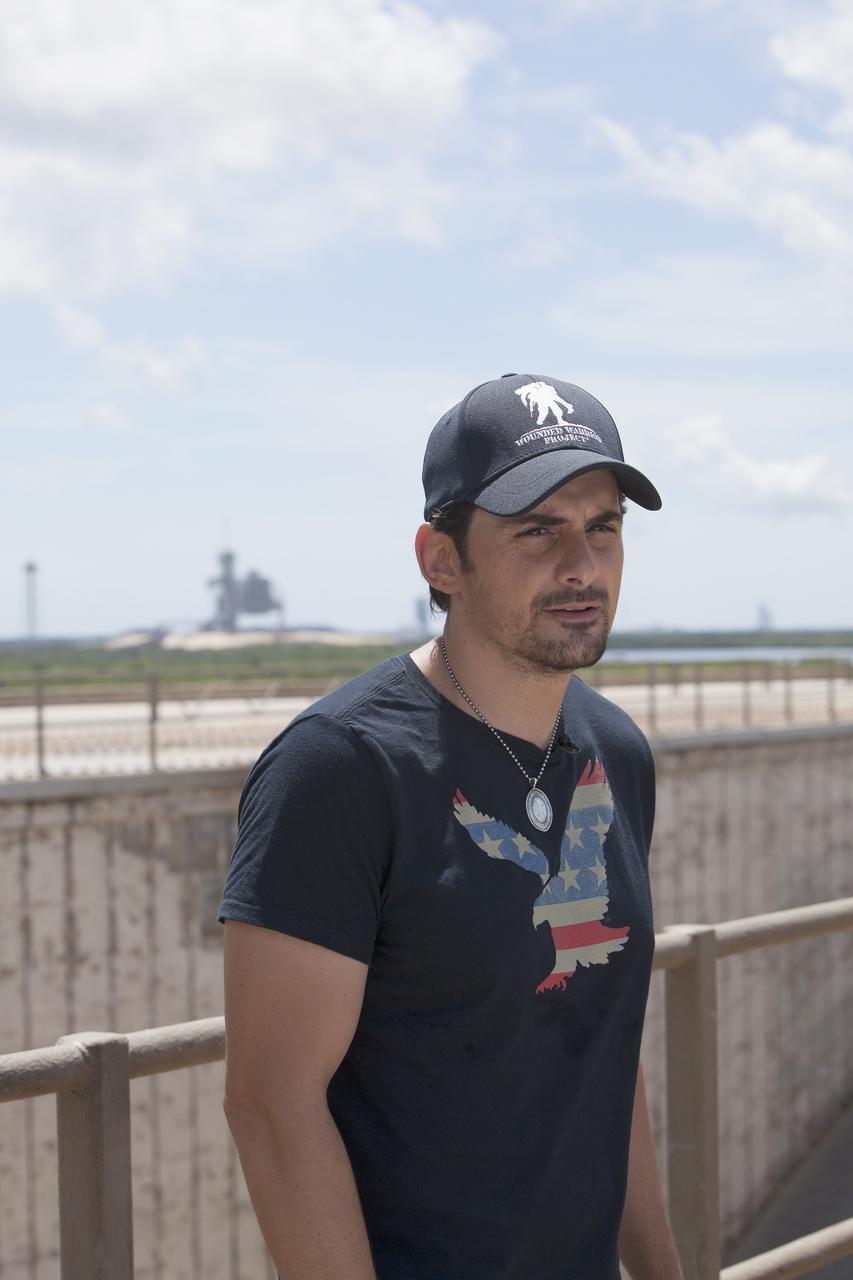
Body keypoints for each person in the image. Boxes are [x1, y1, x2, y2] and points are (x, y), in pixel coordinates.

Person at [218, 372, 683, 1280]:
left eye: (602, 527)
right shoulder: (338, 768)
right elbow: (272, 1106)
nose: (580, 565)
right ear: (441, 560)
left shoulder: (615, 751)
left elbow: (601, 1043)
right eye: (536, 530)